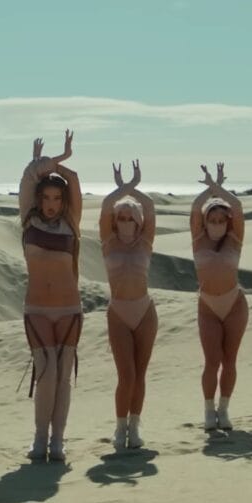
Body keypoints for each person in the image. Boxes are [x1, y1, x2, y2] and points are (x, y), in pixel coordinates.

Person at [17, 131, 85, 462]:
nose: (51, 204)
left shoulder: (72, 222)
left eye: (58, 198)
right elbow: (29, 177)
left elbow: (73, 181)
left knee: (62, 375)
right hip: (37, 309)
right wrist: (47, 162)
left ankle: (58, 439)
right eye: (46, 198)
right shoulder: (27, 219)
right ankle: (39, 438)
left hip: (70, 309)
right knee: (45, 373)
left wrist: (63, 163)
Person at [100, 159, 158, 451]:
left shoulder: (145, 242)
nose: (125, 222)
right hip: (119, 313)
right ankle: (120, 427)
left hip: (145, 311)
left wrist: (133, 187)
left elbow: (150, 208)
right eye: (120, 217)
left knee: (141, 373)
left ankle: (135, 426)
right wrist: (121, 189)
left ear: (138, 222)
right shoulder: (109, 243)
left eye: (129, 218)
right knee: (127, 375)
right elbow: (104, 209)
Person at [188, 163, 247, 432]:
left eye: (222, 221)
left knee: (230, 360)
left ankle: (224, 409)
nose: (217, 225)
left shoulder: (235, 239)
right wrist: (210, 190)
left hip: (234, 303)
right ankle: (208, 411)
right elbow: (194, 210)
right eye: (213, 220)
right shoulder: (198, 240)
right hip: (208, 306)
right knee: (212, 361)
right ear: (206, 221)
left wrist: (220, 189)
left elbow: (238, 209)